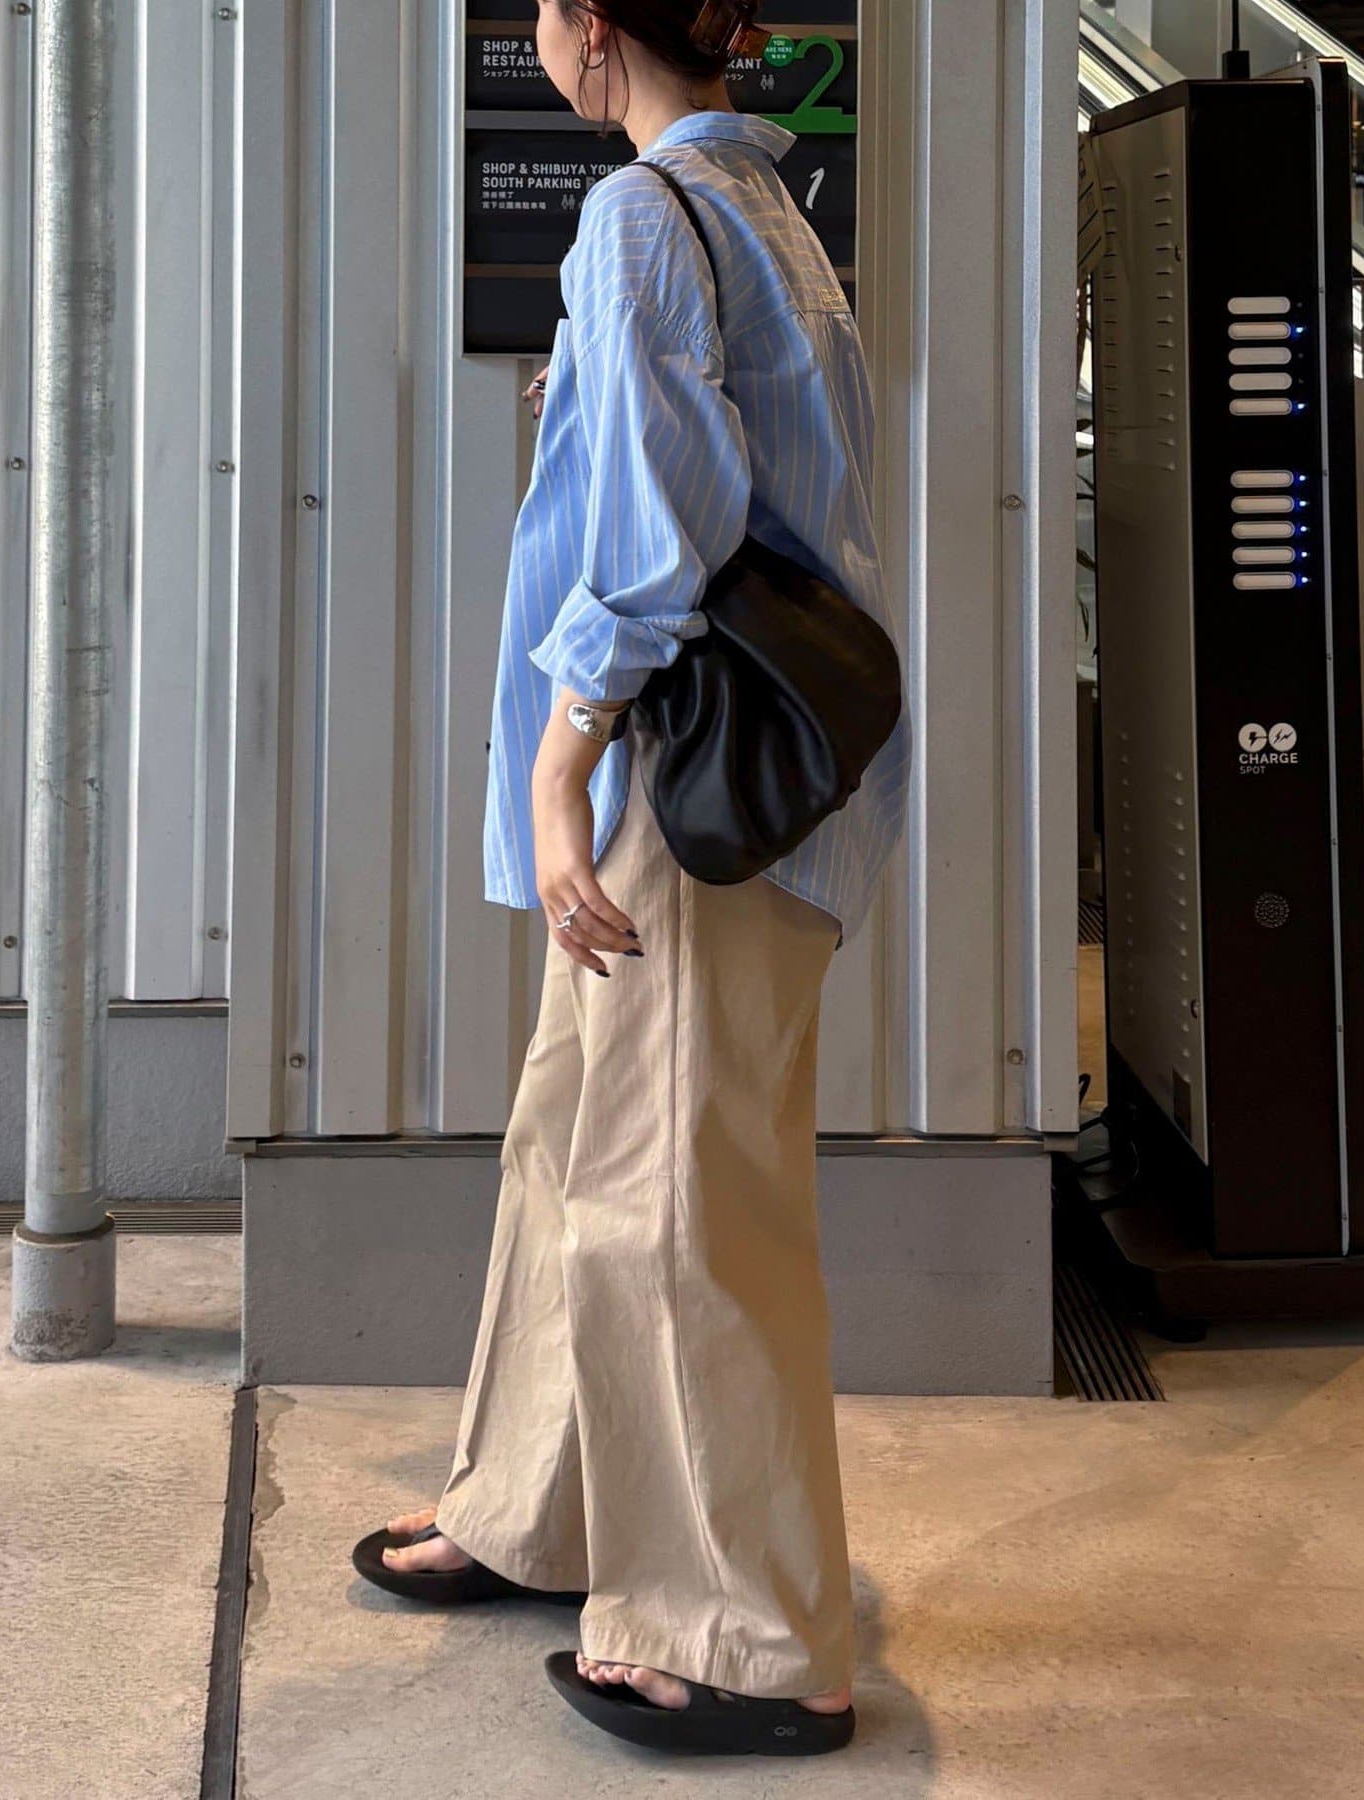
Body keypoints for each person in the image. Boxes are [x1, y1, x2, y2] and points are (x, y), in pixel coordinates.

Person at [351, 0, 910, 1758]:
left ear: (589, 29)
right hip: (729, 774)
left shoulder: (643, 214)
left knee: (679, 1201)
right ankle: (541, 1507)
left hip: (685, 776)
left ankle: (754, 1642)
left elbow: (662, 539)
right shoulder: (758, 202)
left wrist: (558, 764)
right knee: (572, 1140)